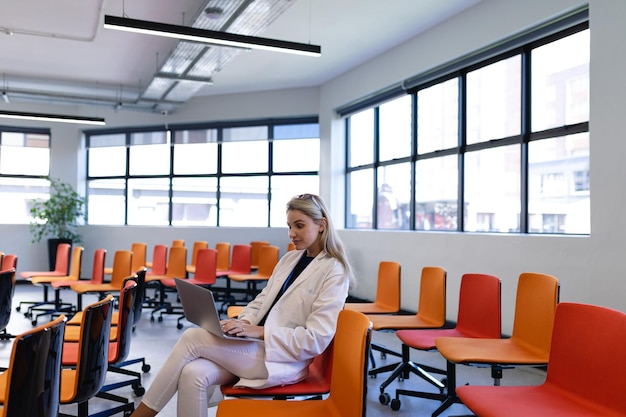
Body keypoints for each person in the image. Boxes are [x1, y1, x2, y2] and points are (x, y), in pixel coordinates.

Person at [130, 193, 356, 417]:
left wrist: (258, 332)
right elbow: (262, 300)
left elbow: (315, 340)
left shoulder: (334, 271)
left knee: (192, 338)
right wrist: (243, 322)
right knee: (192, 373)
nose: (291, 234)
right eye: (289, 226)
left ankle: (140, 415)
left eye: (299, 226)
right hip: (255, 346)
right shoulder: (290, 259)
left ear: (321, 225)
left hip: (284, 358)